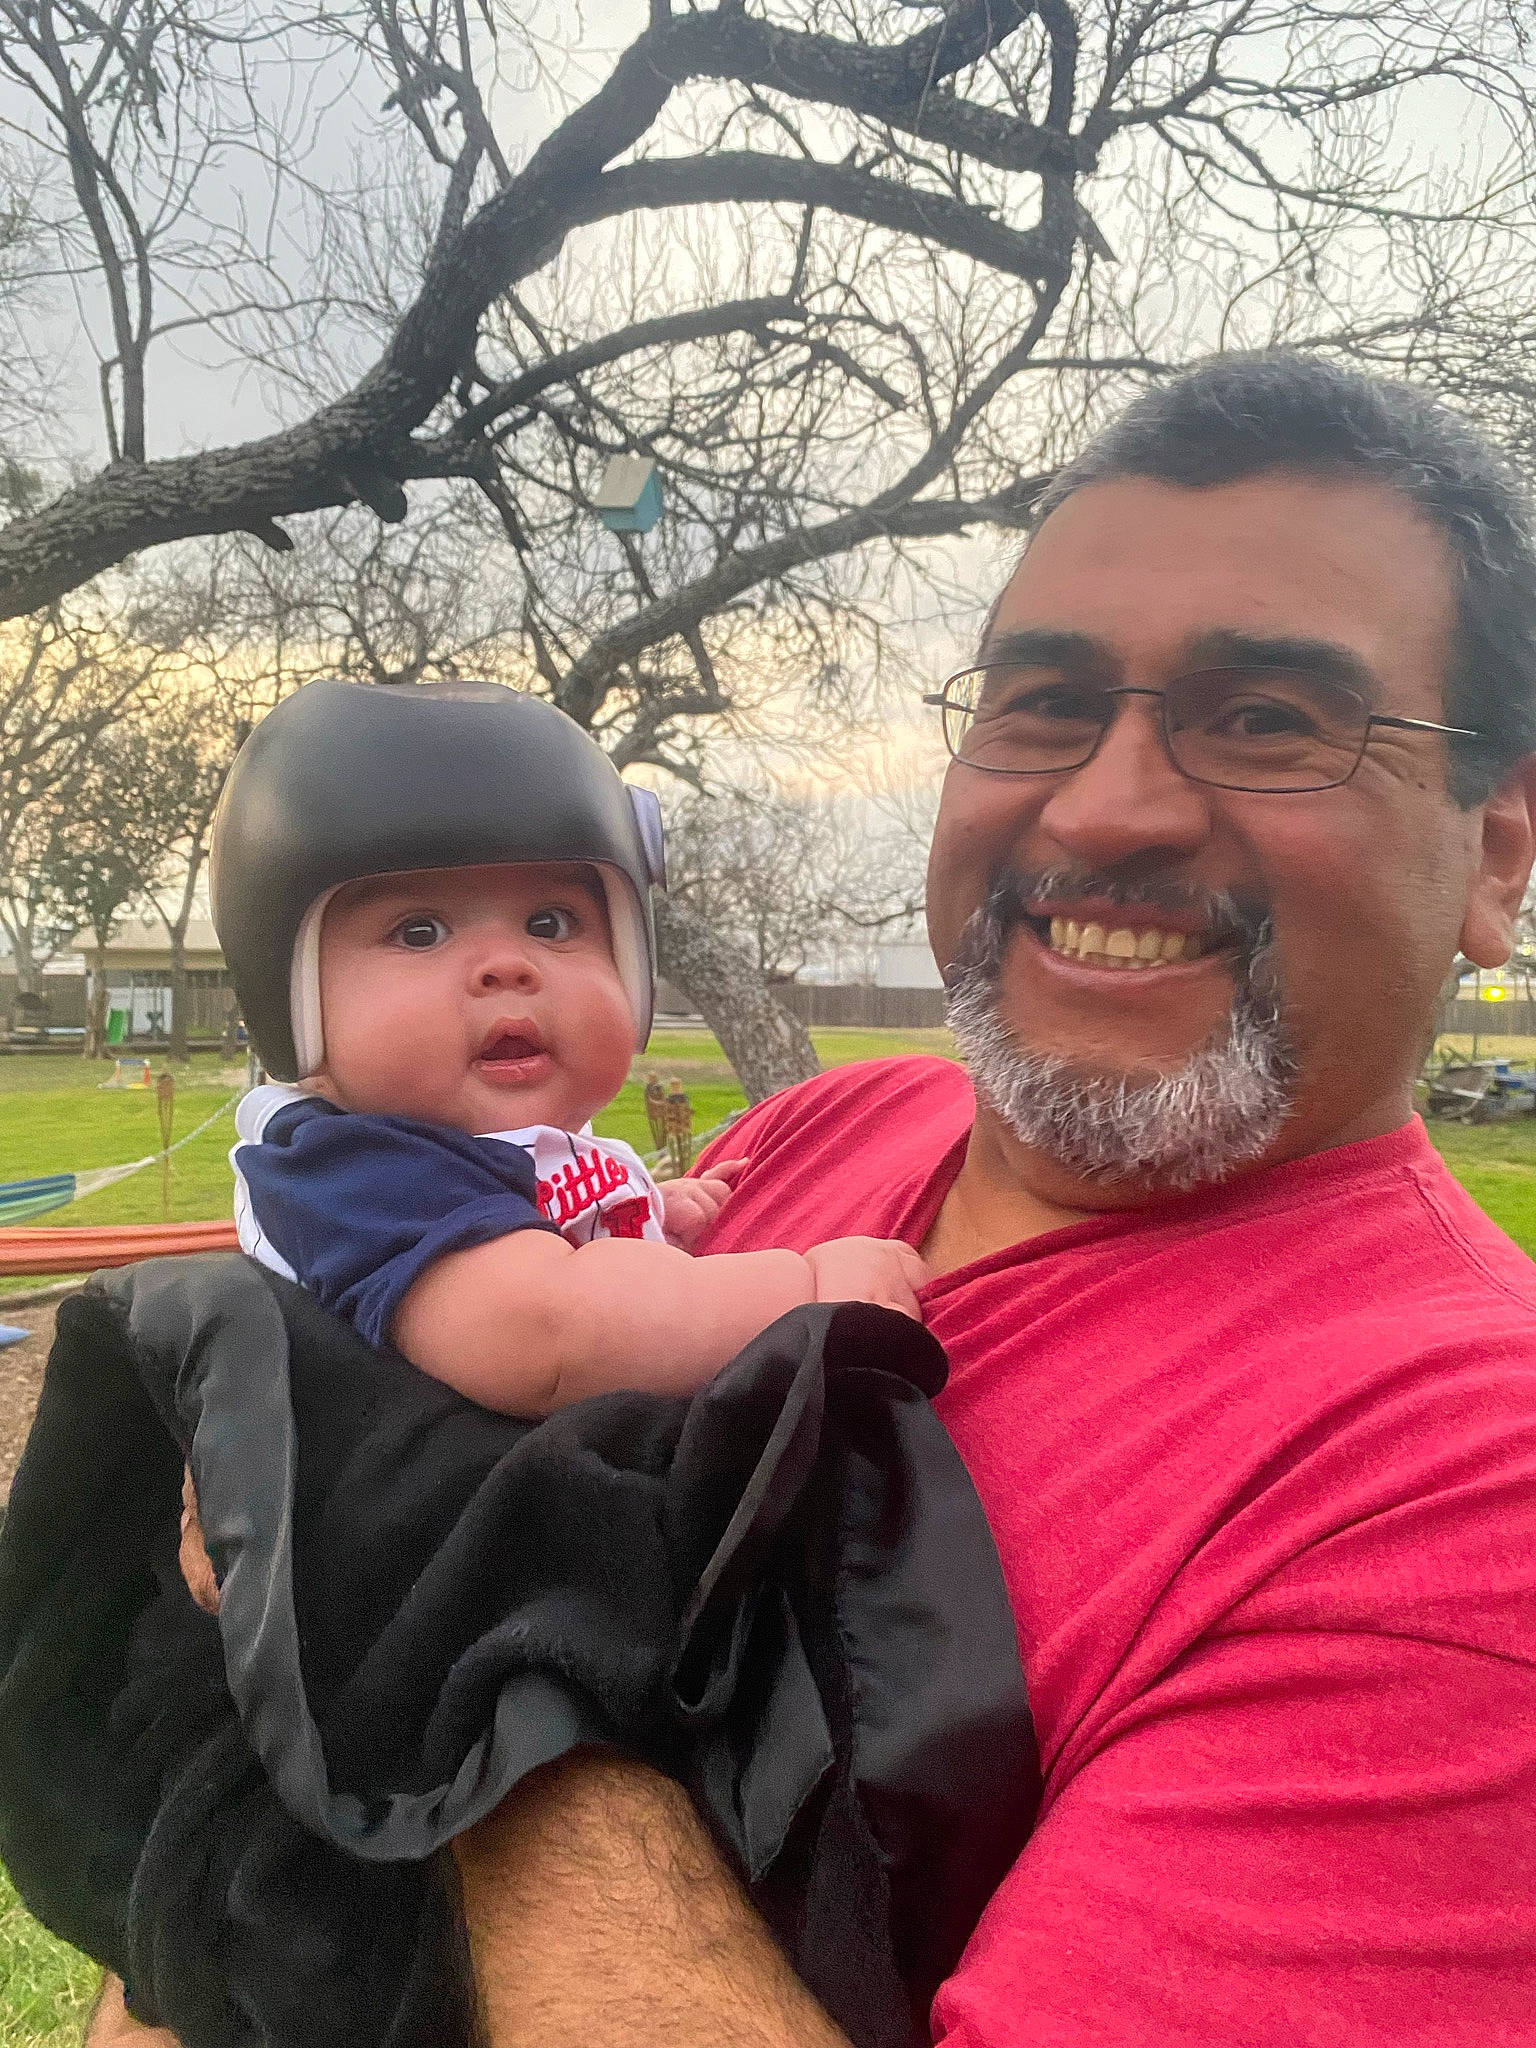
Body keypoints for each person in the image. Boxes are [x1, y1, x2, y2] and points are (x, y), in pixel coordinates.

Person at [436, 354, 1536, 2048]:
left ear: (1499, 852)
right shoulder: (825, 1130)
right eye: (1042, 704)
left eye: (1265, 721)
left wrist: (456, 1700)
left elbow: (344, 1579)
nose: (1103, 805)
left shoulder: (1468, 1485)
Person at [208, 677, 926, 1418]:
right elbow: (551, 1334)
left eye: (551, 923)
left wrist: (636, 1207)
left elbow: (520, 1235)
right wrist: (807, 1289)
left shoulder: (450, 1153)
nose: (508, 966)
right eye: (420, 930)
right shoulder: (353, 1176)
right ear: (290, 994)